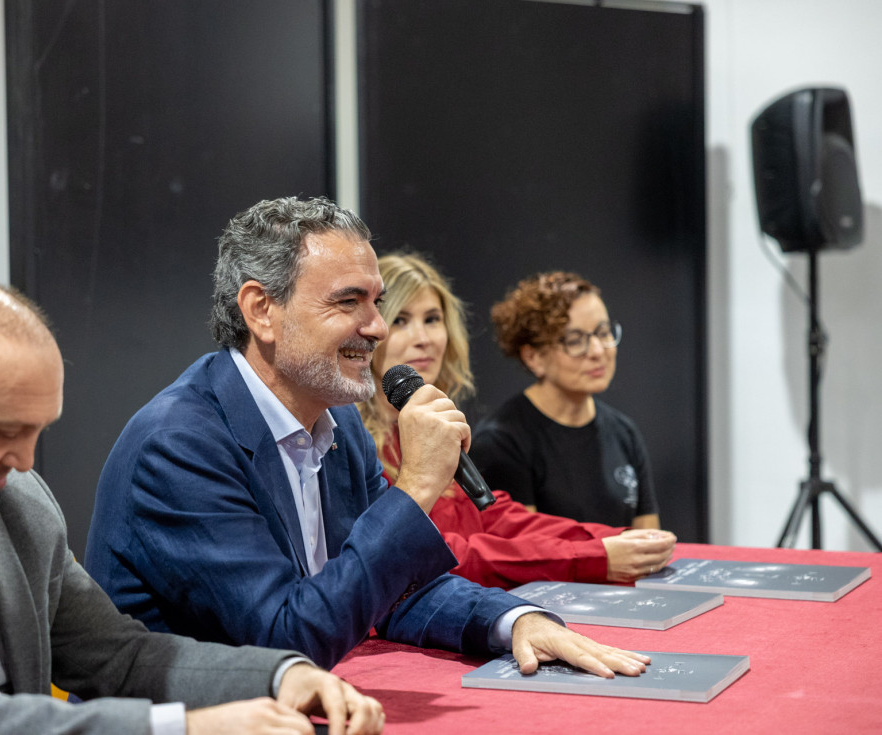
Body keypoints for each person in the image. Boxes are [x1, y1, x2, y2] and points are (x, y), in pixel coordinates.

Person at [0, 280, 383, 735]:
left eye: (38, 432)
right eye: (5, 431)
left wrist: (280, 676)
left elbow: (119, 655)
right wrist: (182, 728)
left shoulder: (18, 502)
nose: (24, 461)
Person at [85, 196, 651, 678]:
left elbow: (401, 588)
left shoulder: (340, 423)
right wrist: (416, 489)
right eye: (347, 302)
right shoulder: (179, 445)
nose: (377, 327)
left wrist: (512, 621)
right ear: (261, 310)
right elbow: (285, 639)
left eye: (375, 302)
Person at [357, 252, 675, 588]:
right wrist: (593, 556)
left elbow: (493, 517)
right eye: (400, 320)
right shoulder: (356, 444)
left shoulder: (433, 428)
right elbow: (435, 555)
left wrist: (610, 540)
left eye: (433, 319)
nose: (423, 338)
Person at [470, 271, 661, 529]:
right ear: (533, 357)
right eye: (575, 340)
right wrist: (610, 551)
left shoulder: (624, 433)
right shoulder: (502, 442)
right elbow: (523, 548)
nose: (597, 351)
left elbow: (650, 539)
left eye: (603, 333)